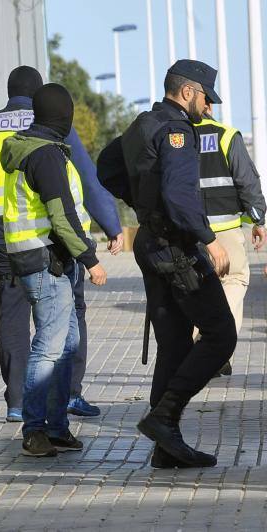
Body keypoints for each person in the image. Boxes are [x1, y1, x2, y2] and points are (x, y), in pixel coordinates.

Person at [0, 66, 122, 423]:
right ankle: (68, 394)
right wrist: (112, 226)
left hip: (1, 230)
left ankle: (16, 402)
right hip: (51, 236)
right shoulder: (53, 124)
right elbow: (87, 179)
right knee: (69, 313)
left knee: (12, 311)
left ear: (9, 92)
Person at [113, 60, 236, 468]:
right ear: (187, 93)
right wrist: (210, 240)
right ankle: (163, 420)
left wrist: (142, 206)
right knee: (221, 335)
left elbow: (105, 167)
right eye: (206, 98)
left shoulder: (142, 124)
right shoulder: (178, 130)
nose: (209, 107)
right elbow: (180, 197)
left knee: (175, 344)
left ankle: (165, 449)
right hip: (177, 247)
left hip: (150, 242)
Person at [0, 83, 107, 457]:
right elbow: (61, 216)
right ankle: (35, 430)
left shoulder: (36, 149)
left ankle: (57, 426)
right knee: (49, 346)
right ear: (63, 115)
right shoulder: (45, 155)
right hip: (45, 260)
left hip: (45, 259)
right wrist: (90, 259)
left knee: (68, 345)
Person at [194, 104, 267, 375]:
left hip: (186, 231)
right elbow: (248, 181)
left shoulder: (174, 135)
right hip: (224, 230)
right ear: (209, 106)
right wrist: (258, 219)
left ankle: (197, 346)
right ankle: (216, 347)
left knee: (193, 287)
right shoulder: (225, 135)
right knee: (234, 280)